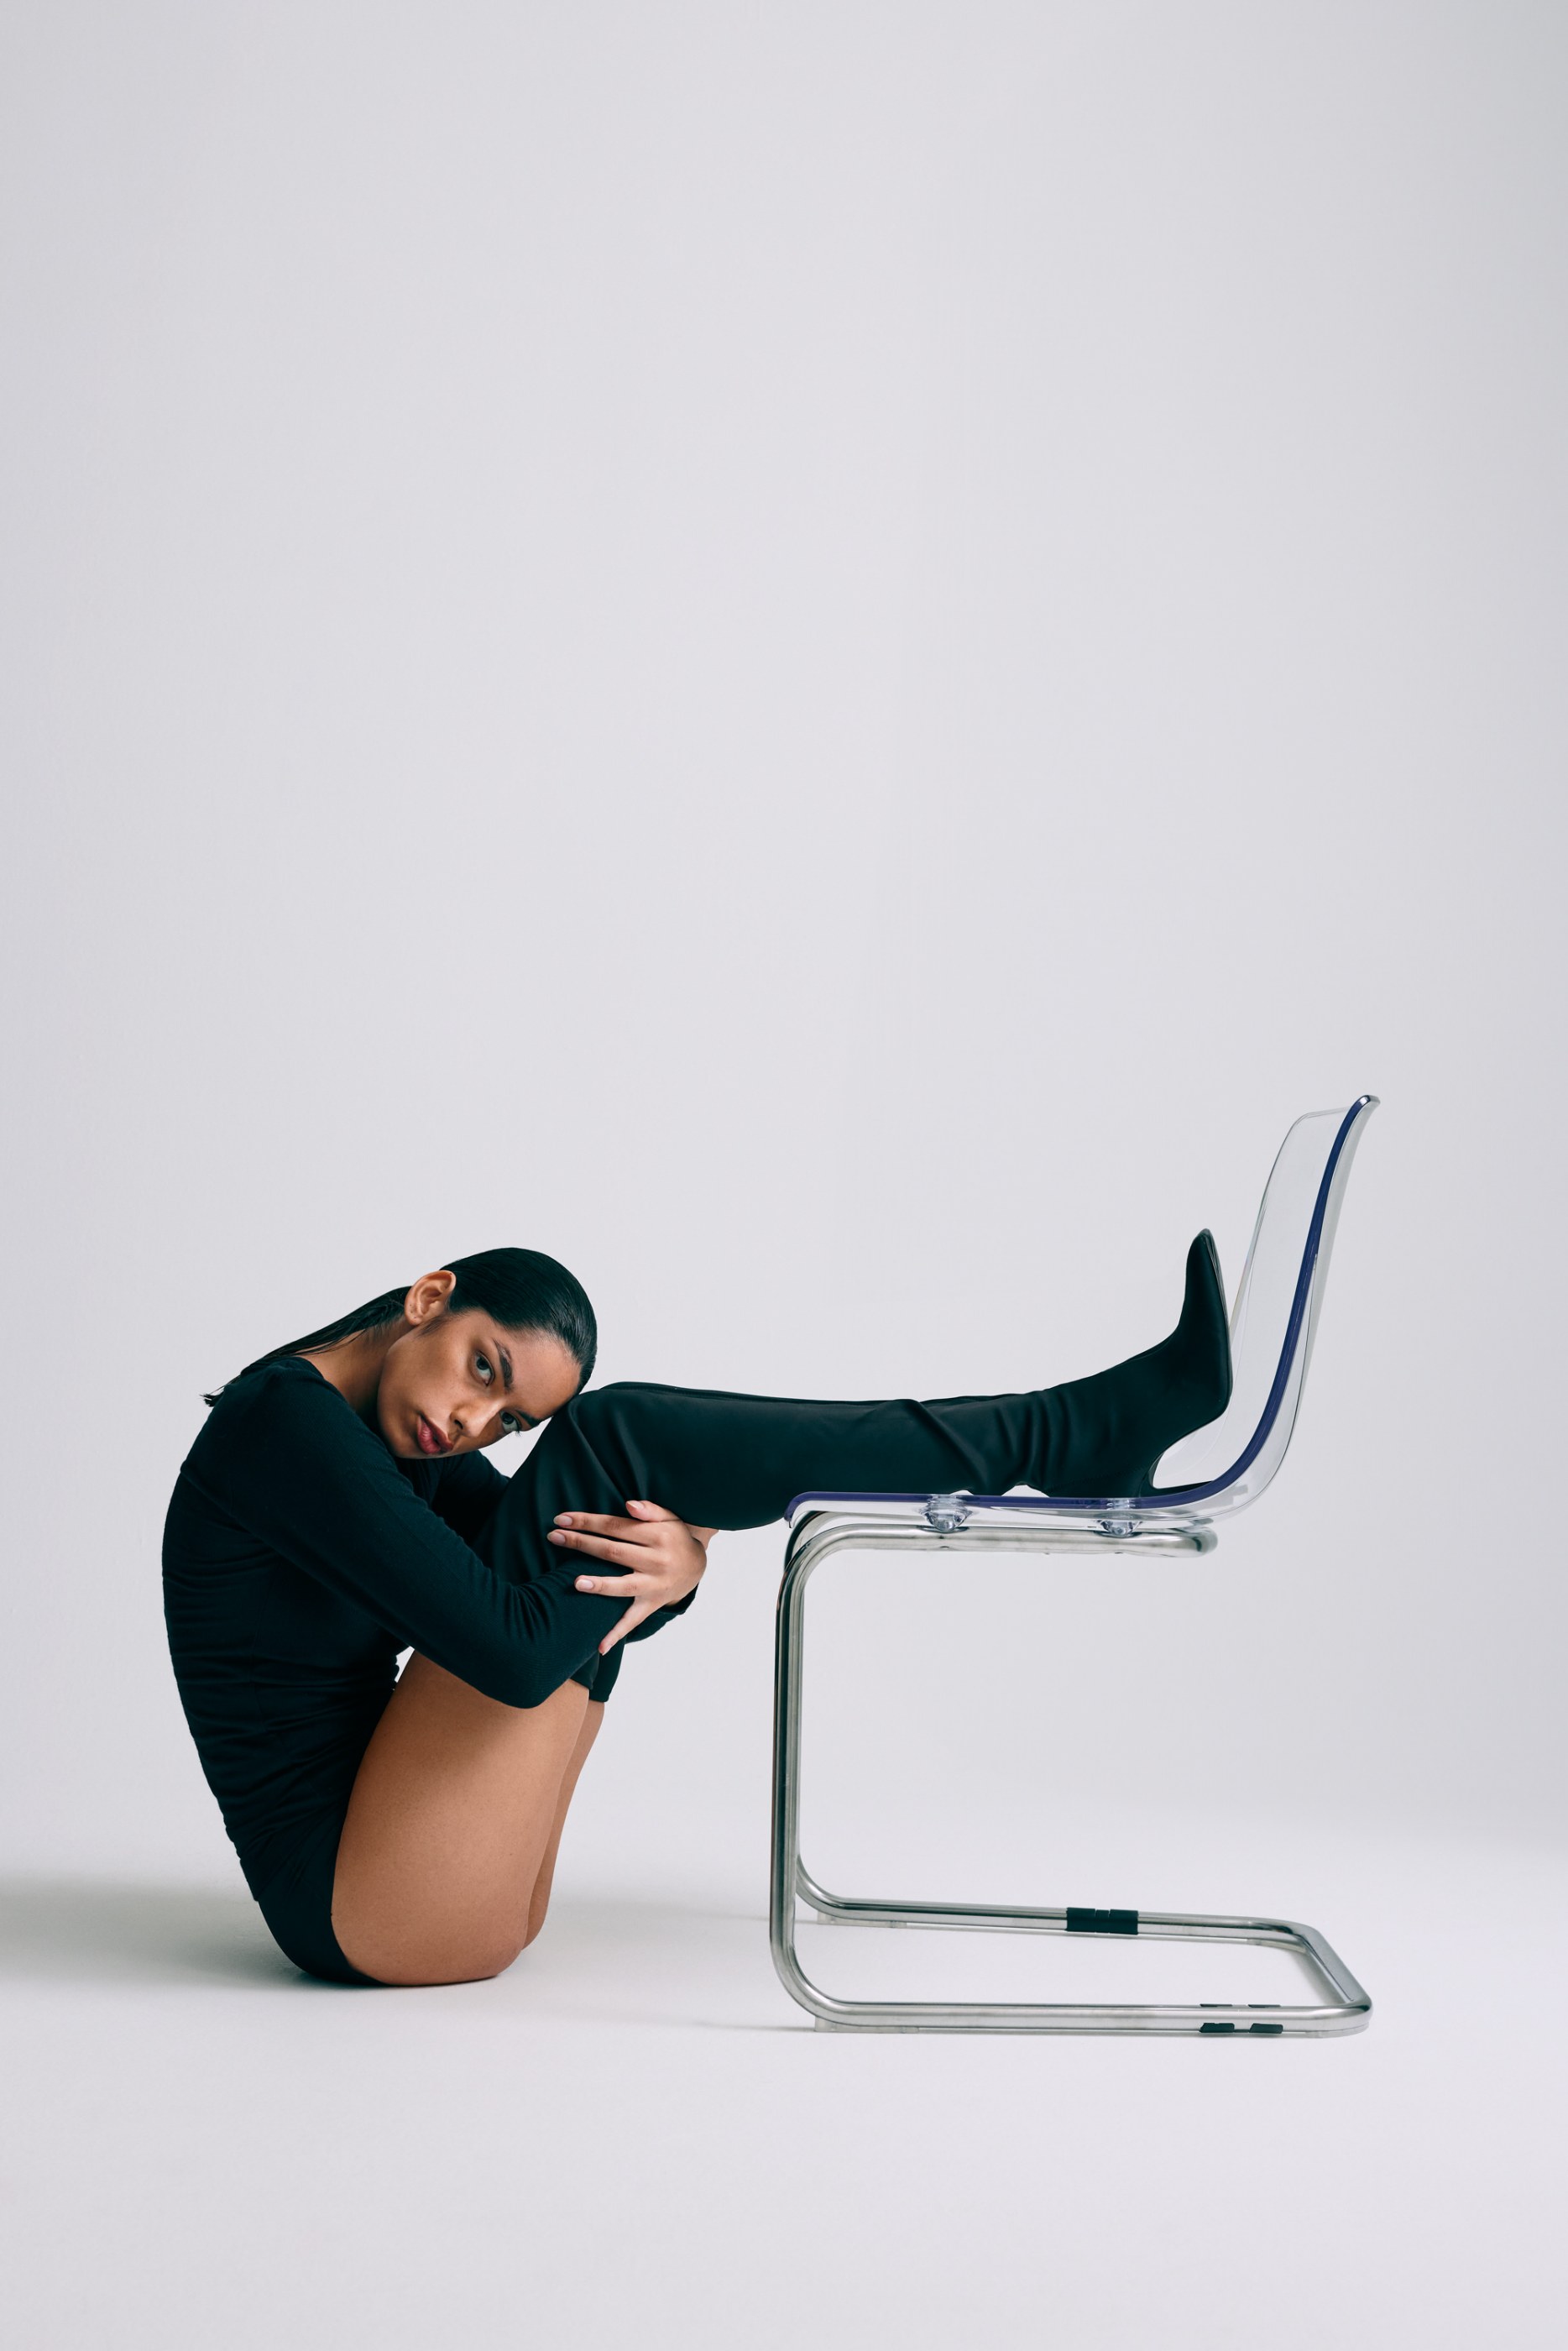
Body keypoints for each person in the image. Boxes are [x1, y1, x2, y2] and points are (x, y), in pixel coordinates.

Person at [163, 1238, 1231, 1990]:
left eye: (508, 1419)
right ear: (429, 1296)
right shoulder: (284, 1425)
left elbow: (551, 1576)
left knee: (607, 1473)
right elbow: (516, 1652)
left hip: (436, 1884)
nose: (471, 1421)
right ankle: (1060, 1436)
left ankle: (1063, 1436)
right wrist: (679, 1544)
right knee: (615, 1439)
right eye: (483, 1368)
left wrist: (677, 1568)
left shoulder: (397, 1438)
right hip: (364, 1904)